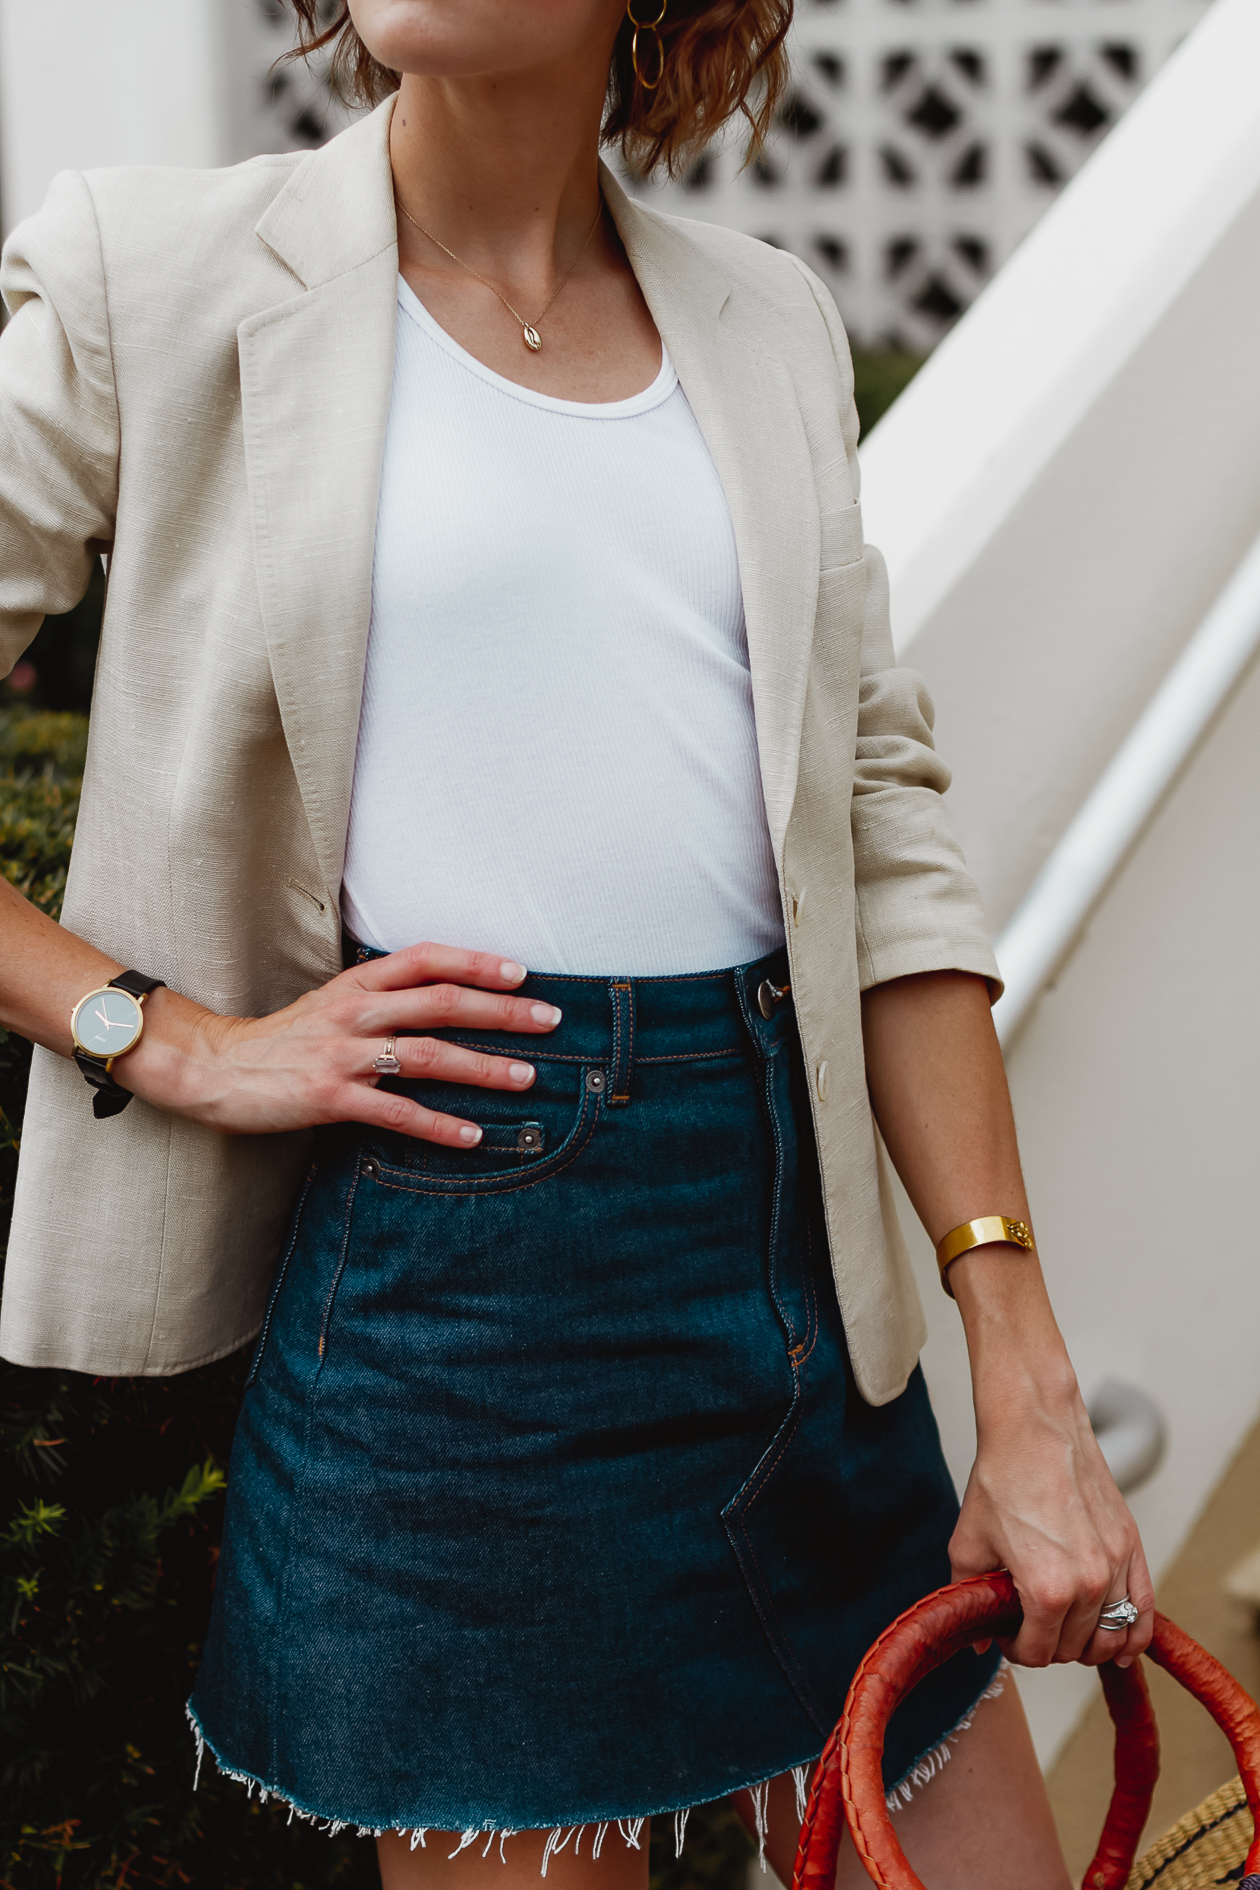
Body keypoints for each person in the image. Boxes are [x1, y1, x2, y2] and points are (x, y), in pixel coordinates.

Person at [0, 3, 1154, 1887]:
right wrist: (169, 1032)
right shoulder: (158, 272)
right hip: (454, 1308)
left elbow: (877, 817)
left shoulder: (762, 319)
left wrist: (1019, 1375)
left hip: (798, 1289)